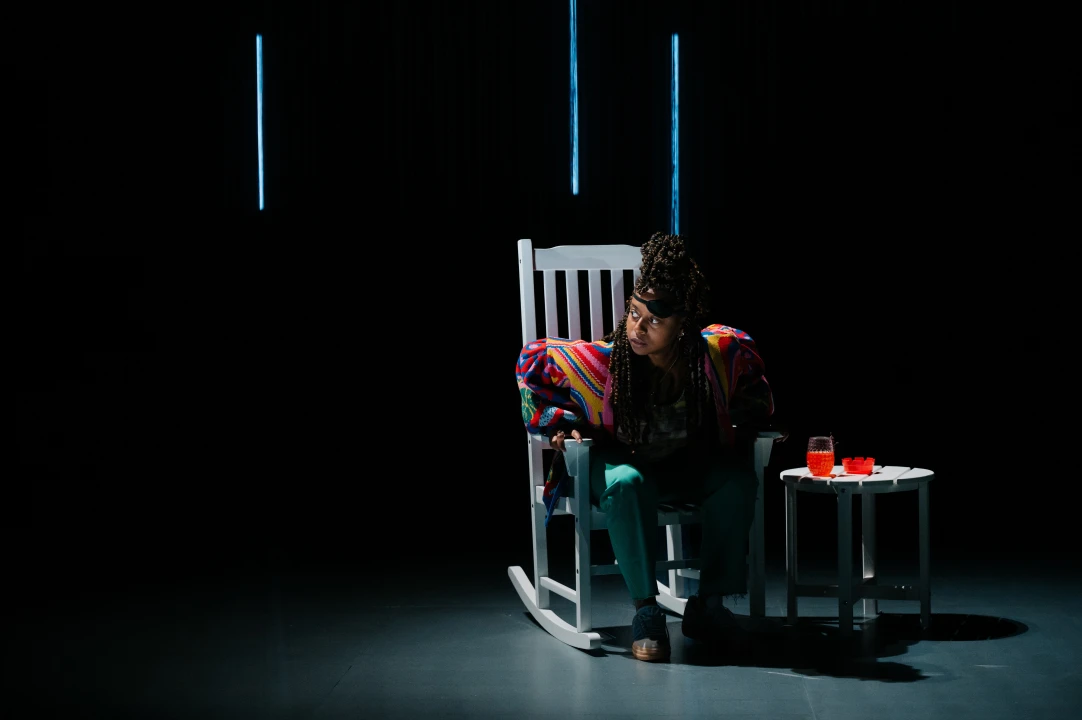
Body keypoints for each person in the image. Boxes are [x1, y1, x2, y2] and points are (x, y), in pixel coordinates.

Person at [515, 232, 783, 662]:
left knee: (736, 478)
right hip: (622, 470)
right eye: (633, 314)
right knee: (627, 479)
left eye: (653, 321)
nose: (636, 328)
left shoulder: (714, 355)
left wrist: (749, 419)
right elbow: (532, 364)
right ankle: (646, 611)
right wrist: (559, 426)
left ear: (683, 325)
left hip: (683, 467)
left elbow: (753, 389)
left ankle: (708, 607)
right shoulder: (602, 364)